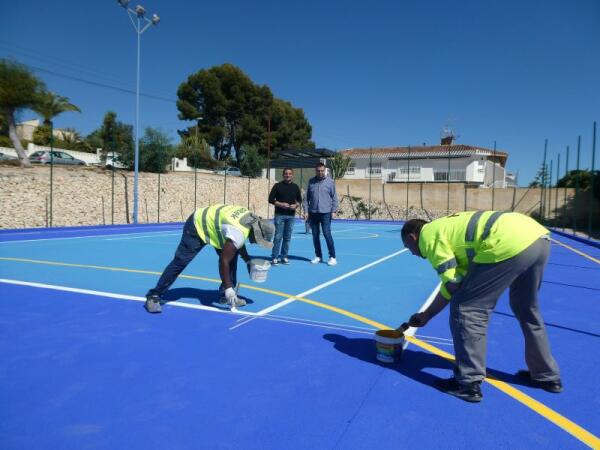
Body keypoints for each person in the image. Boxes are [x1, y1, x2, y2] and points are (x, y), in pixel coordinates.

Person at [400, 211, 562, 403]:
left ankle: (468, 383)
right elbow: (455, 282)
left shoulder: (429, 236)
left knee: (467, 309)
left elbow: (452, 284)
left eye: (408, 247)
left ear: (412, 237)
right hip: (537, 238)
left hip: (506, 242)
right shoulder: (449, 230)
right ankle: (546, 376)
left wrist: (429, 313)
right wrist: (427, 314)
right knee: (527, 309)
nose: (412, 252)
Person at [145, 204, 275, 313]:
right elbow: (223, 260)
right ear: (256, 232)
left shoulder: (251, 219)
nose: (256, 242)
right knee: (181, 261)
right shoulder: (239, 232)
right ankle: (154, 295)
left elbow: (237, 244)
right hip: (197, 225)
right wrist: (230, 289)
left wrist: (247, 260)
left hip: (217, 228)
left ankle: (225, 295)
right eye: (259, 240)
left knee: (232, 255)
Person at [303, 162, 339, 266]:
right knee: (315, 236)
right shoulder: (311, 182)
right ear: (316, 171)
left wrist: (334, 211)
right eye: (318, 171)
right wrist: (306, 211)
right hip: (313, 213)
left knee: (327, 234)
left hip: (326, 213)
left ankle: (332, 257)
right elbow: (306, 199)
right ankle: (318, 256)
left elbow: (334, 198)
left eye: (322, 170)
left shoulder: (330, 182)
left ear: (325, 170)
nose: (320, 172)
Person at [268, 168, 302, 265]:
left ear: (292, 175)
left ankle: (284, 256)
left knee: (287, 238)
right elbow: (270, 199)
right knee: (278, 237)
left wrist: (296, 205)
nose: (288, 175)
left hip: (291, 216)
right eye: (286, 174)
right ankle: (274, 257)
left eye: (290, 174)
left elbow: (299, 201)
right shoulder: (277, 186)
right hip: (280, 215)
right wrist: (281, 204)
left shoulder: (295, 187)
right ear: (283, 175)